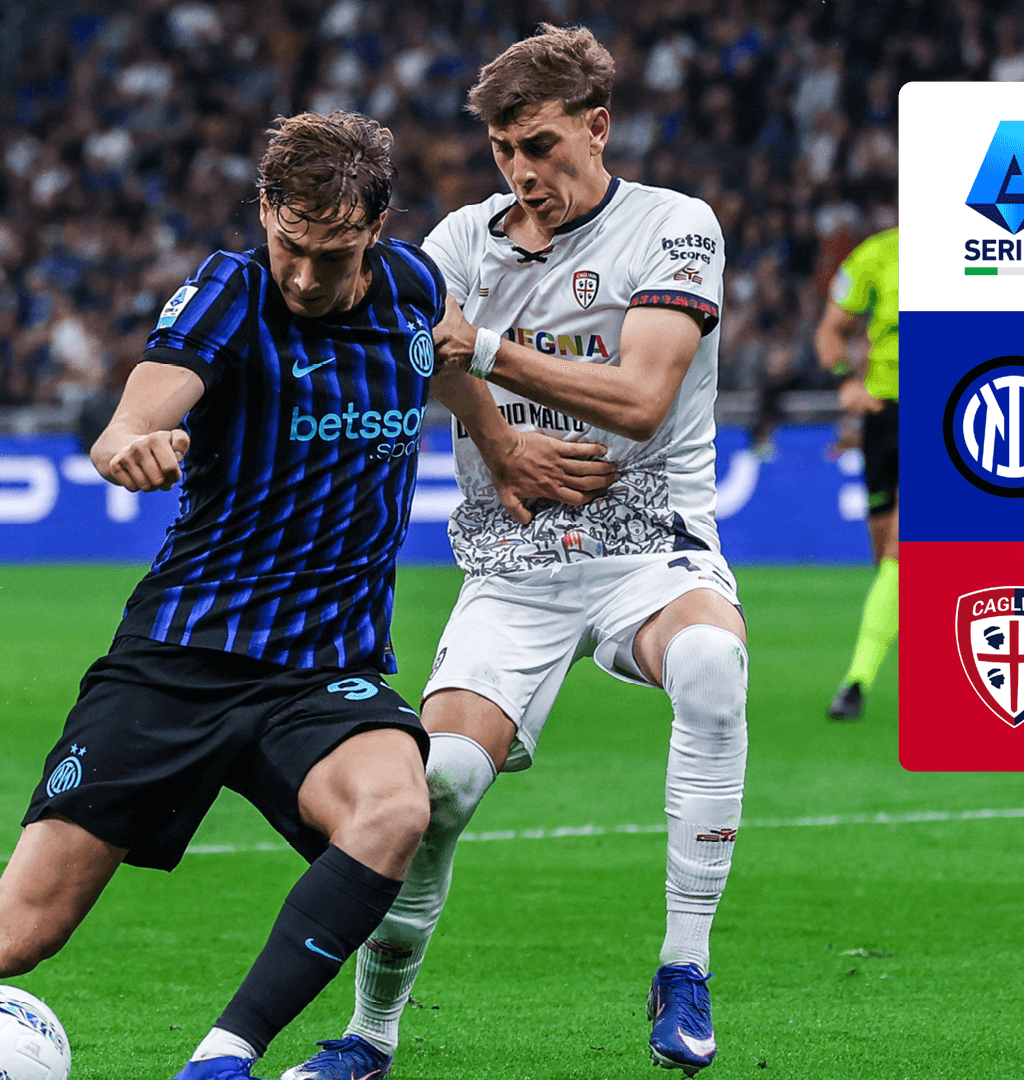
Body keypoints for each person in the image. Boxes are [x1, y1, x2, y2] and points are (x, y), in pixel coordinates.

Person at [0, 110, 609, 1080]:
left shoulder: (411, 286)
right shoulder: (232, 292)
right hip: (181, 658)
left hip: (320, 672)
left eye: (334, 255)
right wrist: (129, 447)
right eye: (292, 247)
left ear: (378, 229)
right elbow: (134, 414)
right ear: (265, 212)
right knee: (14, 933)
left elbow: (441, 358)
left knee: (396, 808)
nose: (307, 278)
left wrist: (502, 445)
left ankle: (222, 1059)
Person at [287, 25, 746, 1080]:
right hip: (515, 561)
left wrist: (490, 350)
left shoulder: (674, 227)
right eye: (503, 150)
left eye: (540, 145)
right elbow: (424, 348)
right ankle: (370, 1035)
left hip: (650, 546)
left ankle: (684, 967)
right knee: (439, 784)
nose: (522, 171)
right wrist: (497, 442)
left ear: (597, 126)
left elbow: (642, 399)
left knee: (712, 663)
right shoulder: (461, 240)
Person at [815, 224, 899, 721]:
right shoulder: (877, 255)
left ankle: (855, 683)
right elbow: (831, 329)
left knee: (902, 550)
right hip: (885, 419)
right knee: (885, 555)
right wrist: (846, 383)